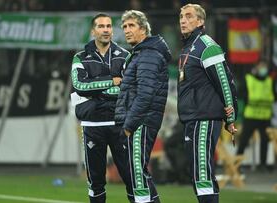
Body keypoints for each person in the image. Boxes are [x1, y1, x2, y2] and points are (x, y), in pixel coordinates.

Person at [177, 4, 238, 203]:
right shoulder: (189, 47)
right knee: (197, 173)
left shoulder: (207, 45)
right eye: (181, 17)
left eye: (188, 16)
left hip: (204, 118)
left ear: (201, 21)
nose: (183, 20)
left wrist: (231, 117)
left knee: (202, 173)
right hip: (192, 118)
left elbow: (225, 82)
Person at [70, 13, 130, 203]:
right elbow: (80, 86)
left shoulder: (125, 56)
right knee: (96, 181)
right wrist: (111, 81)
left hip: (119, 123)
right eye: (101, 26)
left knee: (132, 178)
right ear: (93, 31)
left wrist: (95, 90)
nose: (106, 30)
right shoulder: (80, 57)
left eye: (109, 26)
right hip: (92, 125)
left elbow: (128, 88)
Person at [115, 10, 171, 203]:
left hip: (141, 121)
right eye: (124, 27)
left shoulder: (149, 54)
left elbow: (145, 95)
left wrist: (129, 126)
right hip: (140, 119)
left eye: (131, 26)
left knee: (137, 172)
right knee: (136, 171)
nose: (127, 31)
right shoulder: (141, 53)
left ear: (144, 29)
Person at [237, 61, 275, 171]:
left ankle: (262, 165)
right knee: (244, 141)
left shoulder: (269, 81)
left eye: (265, 67)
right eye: (261, 67)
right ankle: (237, 164)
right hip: (251, 116)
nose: (263, 69)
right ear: (256, 68)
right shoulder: (249, 79)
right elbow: (240, 93)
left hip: (265, 117)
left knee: (265, 141)